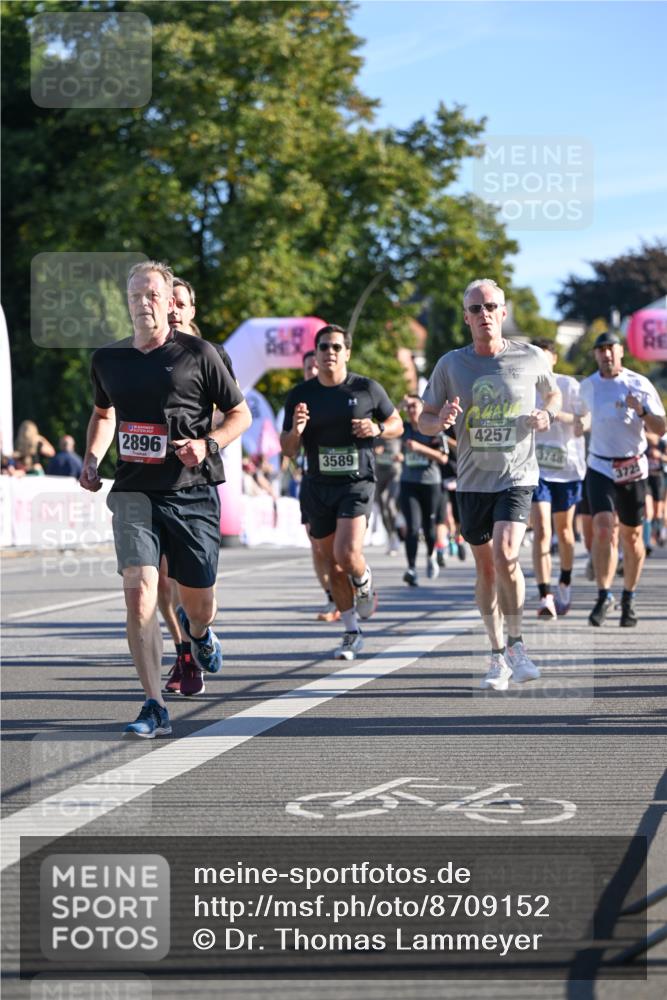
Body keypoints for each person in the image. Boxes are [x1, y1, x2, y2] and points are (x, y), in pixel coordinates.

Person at [79, 260, 251, 737]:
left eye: (153, 295)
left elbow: (241, 414)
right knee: (138, 593)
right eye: (135, 295)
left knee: (199, 602)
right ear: (127, 301)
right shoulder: (108, 360)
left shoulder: (200, 354)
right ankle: (153, 703)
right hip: (134, 489)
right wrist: (93, 457)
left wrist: (208, 444)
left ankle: (199, 635)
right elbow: (103, 414)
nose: (144, 303)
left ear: (169, 299)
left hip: (190, 491)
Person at [419, 278, 561, 691]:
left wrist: (546, 415)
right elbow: (424, 418)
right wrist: (440, 420)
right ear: (466, 318)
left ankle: (517, 645)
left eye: (491, 307)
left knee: (505, 553)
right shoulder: (450, 365)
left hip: (517, 475)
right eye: (476, 309)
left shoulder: (531, 357)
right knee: (485, 566)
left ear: (503, 313)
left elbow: (553, 396)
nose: (484, 315)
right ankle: (497, 652)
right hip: (471, 480)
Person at [281, 324, 403, 660]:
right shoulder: (300, 395)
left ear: (346, 352)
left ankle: (363, 581)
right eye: (323, 347)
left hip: (356, 482)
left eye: (336, 347)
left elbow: (398, 424)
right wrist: (297, 430)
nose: (329, 352)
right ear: (316, 354)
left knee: (346, 554)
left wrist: (377, 428)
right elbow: (288, 450)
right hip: (317, 486)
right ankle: (351, 631)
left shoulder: (367, 389)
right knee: (331, 565)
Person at [161, 275, 241, 697]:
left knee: (193, 586)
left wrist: (196, 433)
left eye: (180, 302)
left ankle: (200, 631)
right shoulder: (141, 352)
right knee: (158, 577)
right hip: (150, 479)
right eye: (165, 300)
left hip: (197, 476)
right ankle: (184, 654)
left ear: (191, 311)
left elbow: (233, 411)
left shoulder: (211, 354)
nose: (171, 308)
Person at [578, 331, 666, 628]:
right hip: (600, 466)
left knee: (631, 538)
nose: (606, 354)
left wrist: (641, 410)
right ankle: (604, 595)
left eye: (610, 348)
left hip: (633, 468)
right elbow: (578, 421)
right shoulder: (587, 387)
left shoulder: (638, 384)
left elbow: (661, 427)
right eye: (600, 350)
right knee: (603, 529)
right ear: (595, 355)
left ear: (621, 352)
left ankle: (628, 595)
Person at [529, 339, 587, 617]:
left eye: (544, 356)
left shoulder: (568, 386)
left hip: (566, 468)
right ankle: (545, 596)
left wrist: (553, 415)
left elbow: (582, 423)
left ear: (553, 359)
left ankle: (564, 580)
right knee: (542, 530)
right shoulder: (524, 387)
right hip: (536, 468)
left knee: (564, 533)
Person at [297, 349, 341, 622]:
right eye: (308, 368)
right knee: (316, 545)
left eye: (316, 367)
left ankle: (351, 588)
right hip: (311, 480)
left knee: (342, 548)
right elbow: (288, 444)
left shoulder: (337, 395)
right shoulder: (299, 400)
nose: (313, 371)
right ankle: (332, 596)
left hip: (343, 482)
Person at [399, 395, 448, 585]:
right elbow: (388, 420)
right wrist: (400, 404)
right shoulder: (404, 428)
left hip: (430, 483)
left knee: (429, 526)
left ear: (422, 408)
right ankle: (411, 568)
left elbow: (443, 458)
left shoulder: (433, 428)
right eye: (408, 407)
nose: (411, 410)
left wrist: (420, 448)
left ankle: (430, 556)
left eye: (414, 406)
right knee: (412, 527)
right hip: (408, 482)